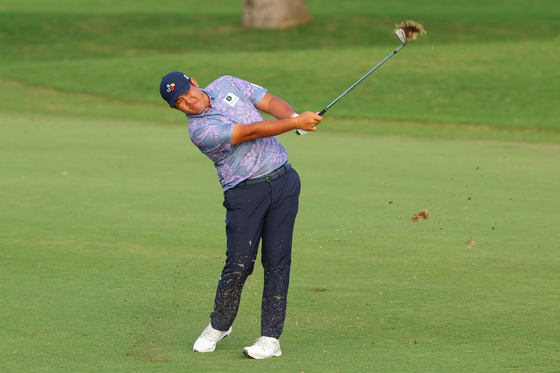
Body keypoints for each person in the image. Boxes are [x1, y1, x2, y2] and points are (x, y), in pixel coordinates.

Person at [159, 72, 322, 359]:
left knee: (277, 261)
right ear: (176, 109)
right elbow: (250, 132)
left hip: (284, 182)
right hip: (244, 193)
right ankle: (220, 324)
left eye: (187, 93)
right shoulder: (200, 132)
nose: (189, 102)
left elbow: (270, 102)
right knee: (239, 264)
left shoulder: (226, 84)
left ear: (194, 82)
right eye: (180, 102)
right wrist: (295, 123)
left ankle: (270, 338)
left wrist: (294, 117)